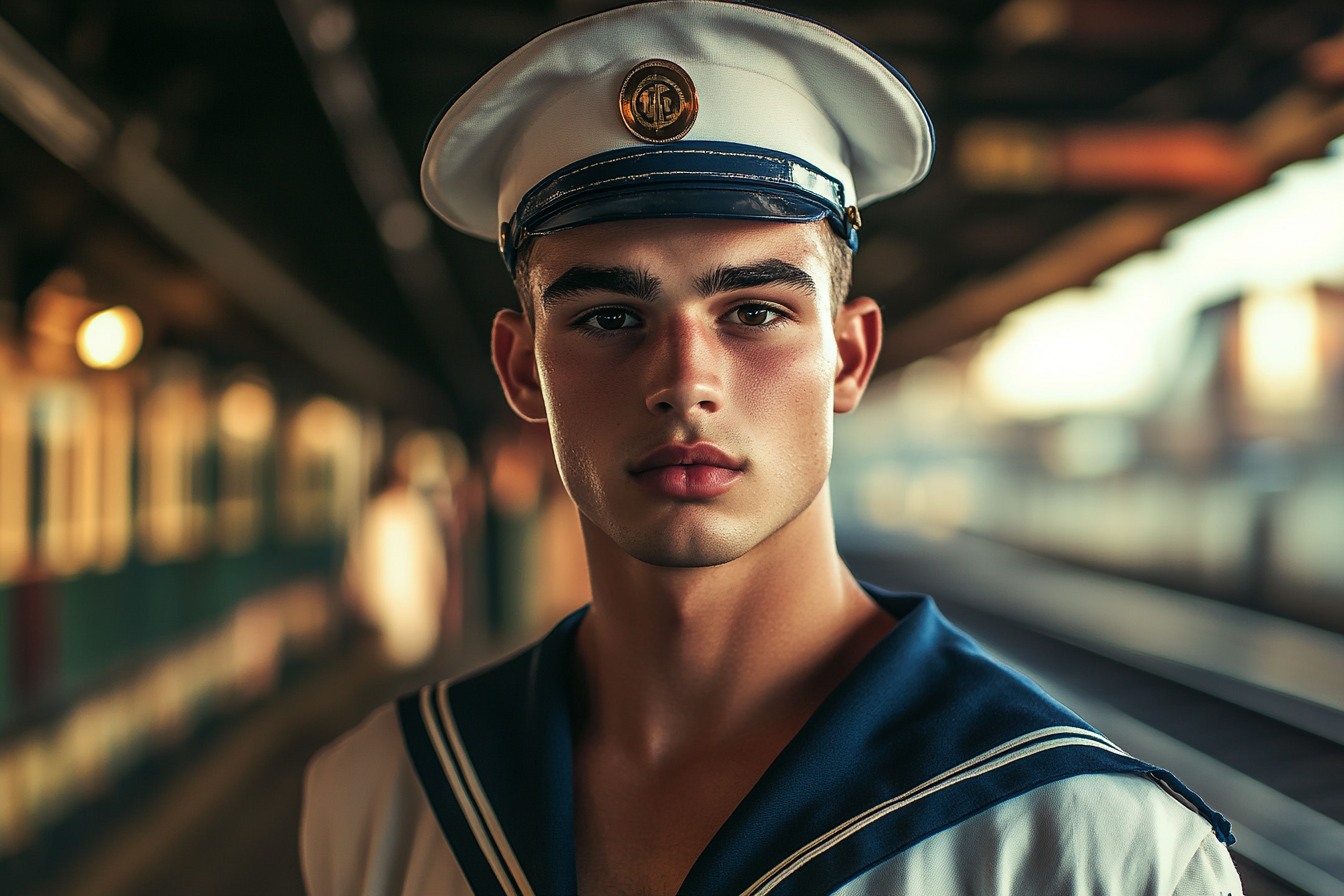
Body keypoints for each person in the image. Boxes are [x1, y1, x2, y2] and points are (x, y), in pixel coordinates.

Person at [300, 2, 1244, 894]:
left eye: (754, 311)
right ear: (520, 370)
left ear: (849, 356)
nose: (684, 378)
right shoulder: (380, 795)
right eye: (608, 316)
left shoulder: (1098, 846)